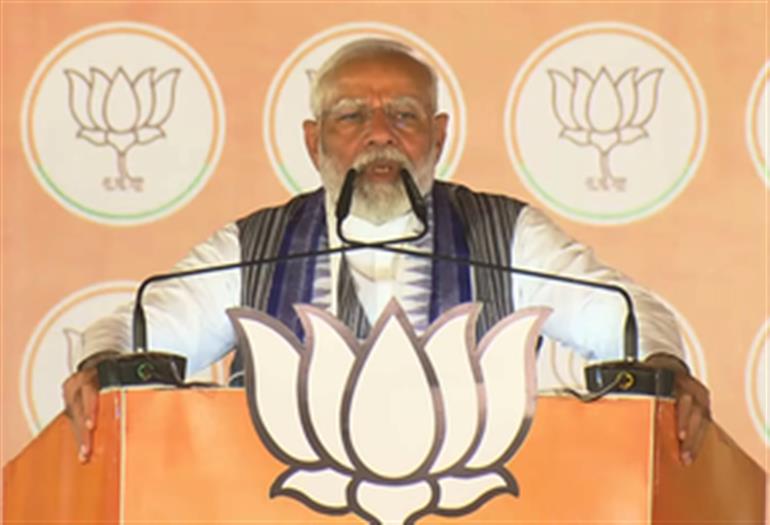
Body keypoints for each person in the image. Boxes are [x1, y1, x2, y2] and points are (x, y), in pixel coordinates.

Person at [62, 38, 710, 467]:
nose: (380, 134)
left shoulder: (507, 234)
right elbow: (130, 329)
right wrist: (98, 364)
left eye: (404, 115)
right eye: (351, 116)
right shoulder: (254, 246)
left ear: (439, 136)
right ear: (314, 141)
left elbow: (631, 315)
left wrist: (662, 363)